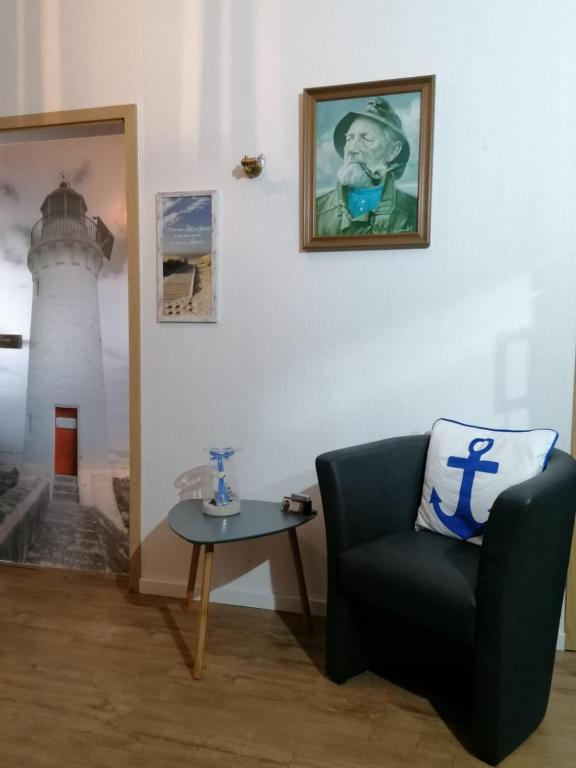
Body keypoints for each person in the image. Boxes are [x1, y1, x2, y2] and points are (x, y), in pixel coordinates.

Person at [315, 96, 417, 237]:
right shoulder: (316, 211)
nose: (352, 149)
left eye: (366, 138)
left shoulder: (413, 213)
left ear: (393, 151)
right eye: (349, 138)